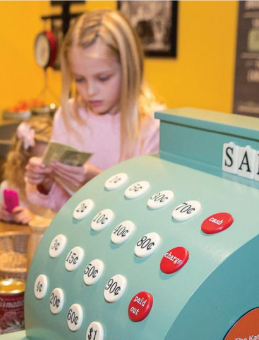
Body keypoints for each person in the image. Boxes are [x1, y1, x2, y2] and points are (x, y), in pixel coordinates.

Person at [25, 9, 165, 213]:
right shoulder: (69, 116)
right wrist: (45, 182)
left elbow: (151, 206)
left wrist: (97, 180)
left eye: (103, 78)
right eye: (79, 79)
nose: (90, 91)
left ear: (129, 68)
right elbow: (60, 207)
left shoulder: (152, 125)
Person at [0, 116, 55, 224]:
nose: (46, 169)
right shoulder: (9, 187)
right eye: (38, 163)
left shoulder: (62, 190)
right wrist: (2, 218)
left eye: (51, 161)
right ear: (23, 163)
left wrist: (36, 220)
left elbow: (68, 228)